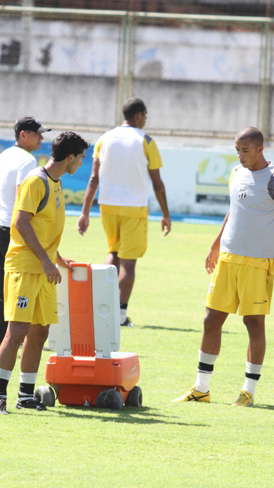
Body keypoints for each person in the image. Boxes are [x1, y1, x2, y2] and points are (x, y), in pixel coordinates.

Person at [173, 127, 274, 407]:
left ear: (259, 149)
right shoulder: (235, 173)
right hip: (229, 259)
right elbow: (234, 210)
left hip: (257, 264)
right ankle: (201, 388)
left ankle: (248, 392)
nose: (241, 156)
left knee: (253, 323)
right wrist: (216, 244)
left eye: (245, 150)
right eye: (237, 150)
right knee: (211, 320)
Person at [0, 131, 89, 415]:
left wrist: (56, 258)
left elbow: (41, 227)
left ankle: (25, 395)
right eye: (80, 158)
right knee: (17, 331)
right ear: (70, 157)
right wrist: (46, 261)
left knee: (40, 332)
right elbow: (21, 222)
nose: (81, 163)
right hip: (25, 268)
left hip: (44, 269)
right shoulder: (36, 180)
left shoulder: (55, 183)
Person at [77, 98, 171, 327]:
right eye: (146, 116)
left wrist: (84, 212)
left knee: (113, 253)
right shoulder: (146, 141)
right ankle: (119, 316)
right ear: (138, 115)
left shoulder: (104, 139)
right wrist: (166, 214)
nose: (146, 120)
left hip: (107, 206)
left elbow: (93, 178)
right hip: (134, 207)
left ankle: (102, 307)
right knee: (128, 264)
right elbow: (157, 183)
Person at [0, 116, 48, 346]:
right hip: (13, 228)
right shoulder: (27, 161)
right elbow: (21, 197)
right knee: (22, 281)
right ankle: (20, 337)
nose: (41, 138)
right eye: (37, 133)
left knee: (1, 282)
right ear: (23, 134)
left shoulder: (5, 155)